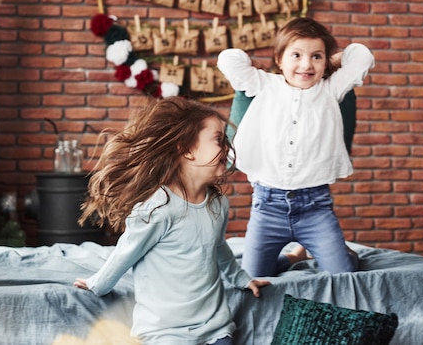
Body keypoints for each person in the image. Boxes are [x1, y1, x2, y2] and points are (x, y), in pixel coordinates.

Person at [73, 96, 270, 345]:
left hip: (216, 328)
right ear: (187, 150)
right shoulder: (158, 207)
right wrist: (97, 285)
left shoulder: (218, 204)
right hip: (166, 332)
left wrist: (241, 278)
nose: (227, 149)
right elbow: (125, 253)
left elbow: (219, 247)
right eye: (219, 141)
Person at [217, 17, 375, 277]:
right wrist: (257, 66)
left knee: (343, 274)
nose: (306, 64)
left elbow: (362, 56)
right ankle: (292, 257)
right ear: (280, 59)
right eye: (296, 55)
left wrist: (333, 61)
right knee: (255, 277)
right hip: (267, 208)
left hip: (315, 208)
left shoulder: (330, 89)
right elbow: (228, 59)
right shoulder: (264, 84)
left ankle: (341, 253)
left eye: (316, 57)